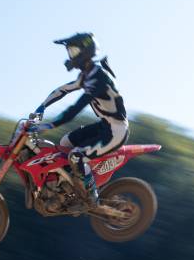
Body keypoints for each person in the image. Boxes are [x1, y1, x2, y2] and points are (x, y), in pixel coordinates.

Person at [31, 33, 128, 207]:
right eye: (70, 52)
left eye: (73, 51)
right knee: (65, 142)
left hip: (116, 131)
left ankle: (91, 198)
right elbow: (62, 90)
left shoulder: (98, 77)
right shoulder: (86, 75)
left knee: (76, 156)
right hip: (104, 125)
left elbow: (75, 109)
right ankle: (66, 187)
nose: (70, 56)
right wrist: (41, 108)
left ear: (85, 51)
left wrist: (50, 125)